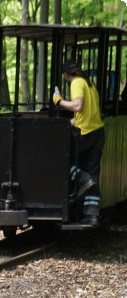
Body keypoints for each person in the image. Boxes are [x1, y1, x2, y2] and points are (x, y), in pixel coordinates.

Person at [53, 60, 105, 226]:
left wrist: (59, 101)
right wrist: (73, 121)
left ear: (66, 75)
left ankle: (82, 179)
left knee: (59, 161)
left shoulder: (76, 83)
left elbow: (78, 105)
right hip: (97, 133)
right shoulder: (90, 84)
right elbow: (87, 112)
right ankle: (92, 215)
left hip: (85, 134)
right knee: (93, 172)